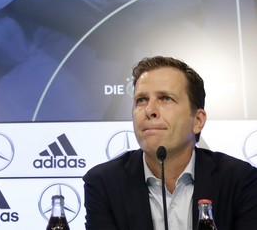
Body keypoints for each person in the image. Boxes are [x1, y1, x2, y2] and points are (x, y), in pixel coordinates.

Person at [82, 56, 257, 229]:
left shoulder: (241, 180)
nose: (149, 110)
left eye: (165, 98)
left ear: (197, 120)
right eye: (141, 100)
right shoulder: (103, 183)